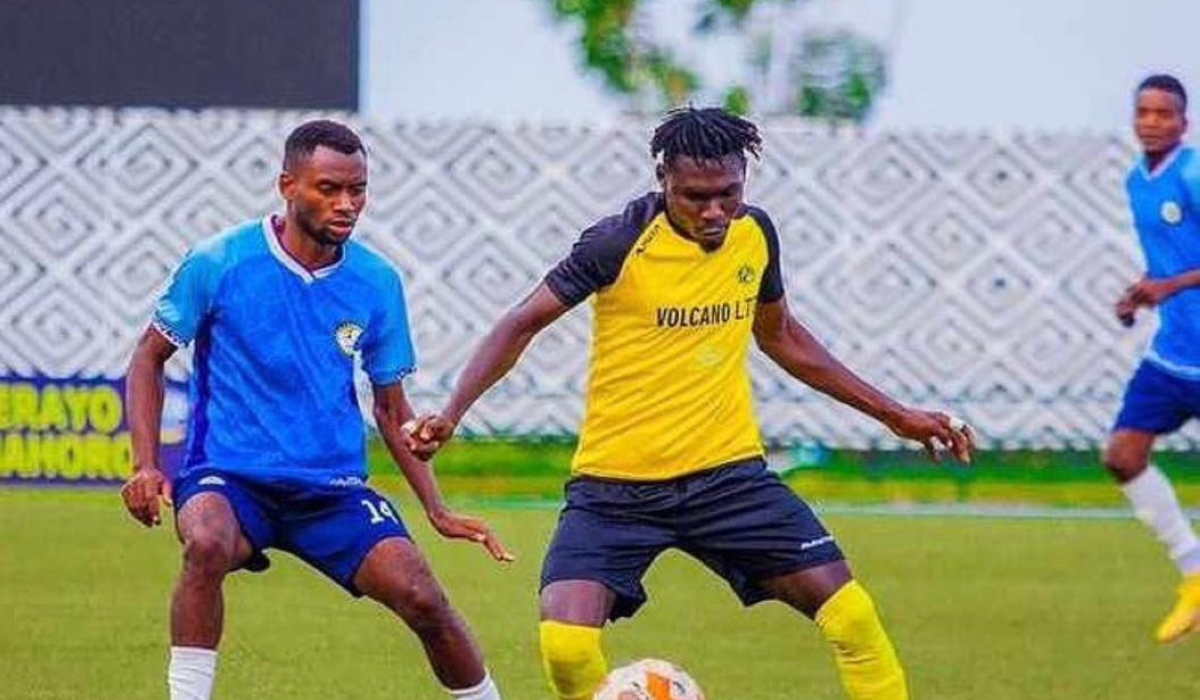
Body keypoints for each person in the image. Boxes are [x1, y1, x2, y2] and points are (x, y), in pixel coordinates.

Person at [406, 106, 975, 700]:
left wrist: (897, 416)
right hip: (615, 488)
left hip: (728, 478)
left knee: (851, 616)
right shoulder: (616, 243)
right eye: (695, 197)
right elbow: (521, 322)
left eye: (729, 194)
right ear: (663, 179)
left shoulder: (755, 235)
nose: (714, 211)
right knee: (566, 649)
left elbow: (782, 336)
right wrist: (452, 413)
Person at [119, 119, 512, 700]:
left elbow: (390, 408)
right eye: (329, 188)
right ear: (288, 185)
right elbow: (148, 358)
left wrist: (436, 508)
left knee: (422, 596)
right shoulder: (220, 261)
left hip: (331, 488)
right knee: (206, 542)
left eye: (358, 189)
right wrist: (146, 464)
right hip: (230, 478)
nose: (347, 204)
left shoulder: (376, 281)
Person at [1106, 74, 1200, 644]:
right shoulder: (1136, 181)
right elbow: (1169, 259)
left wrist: (1169, 286)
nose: (1152, 121)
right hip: (1173, 355)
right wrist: (1141, 293)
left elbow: (1179, 273)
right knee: (1123, 455)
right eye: (1144, 112)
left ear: (1184, 123)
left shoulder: (1192, 173)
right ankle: (1194, 573)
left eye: (1164, 113)